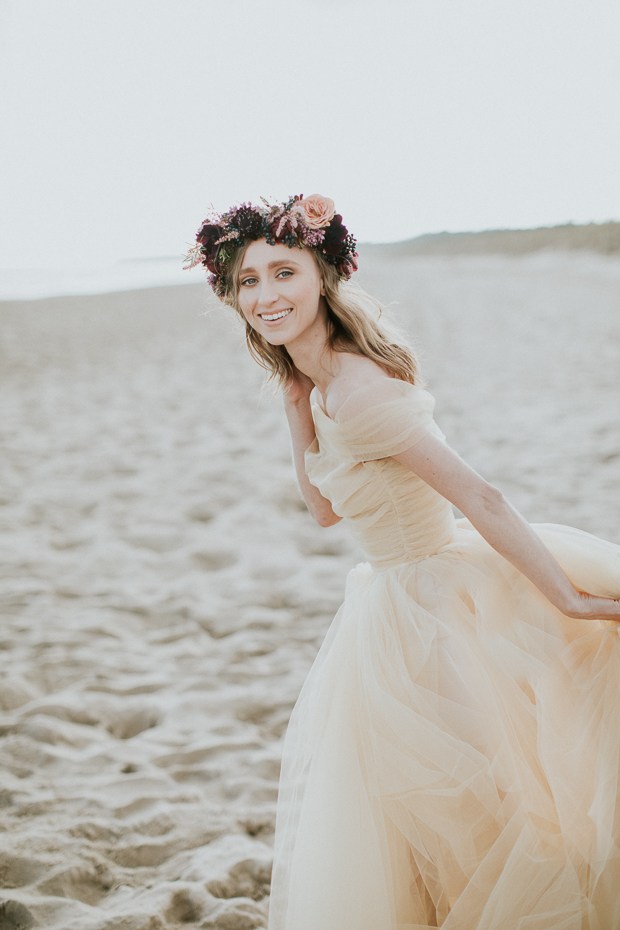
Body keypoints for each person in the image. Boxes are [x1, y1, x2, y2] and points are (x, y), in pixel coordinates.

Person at [186, 195, 620, 930]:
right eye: (248, 280)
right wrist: (296, 409)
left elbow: (480, 496)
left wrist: (567, 599)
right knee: (432, 822)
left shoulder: (357, 393)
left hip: (436, 599)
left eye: (283, 272)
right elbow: (325, 511)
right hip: (388, 601)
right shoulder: (320, 387)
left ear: (322, 276)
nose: (265, 295)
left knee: (486, 815)